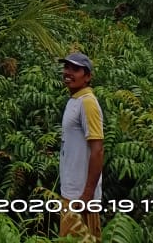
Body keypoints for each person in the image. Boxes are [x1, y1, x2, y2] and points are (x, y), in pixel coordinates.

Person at [58, 51, 103, 240]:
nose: (68, 72)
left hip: (80, 196)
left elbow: (98, 149)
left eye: (75, 69)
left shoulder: (88, 103)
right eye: (67, 67)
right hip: (71, 192)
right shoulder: (74, 100)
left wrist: (87, 194)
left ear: (88, 76)